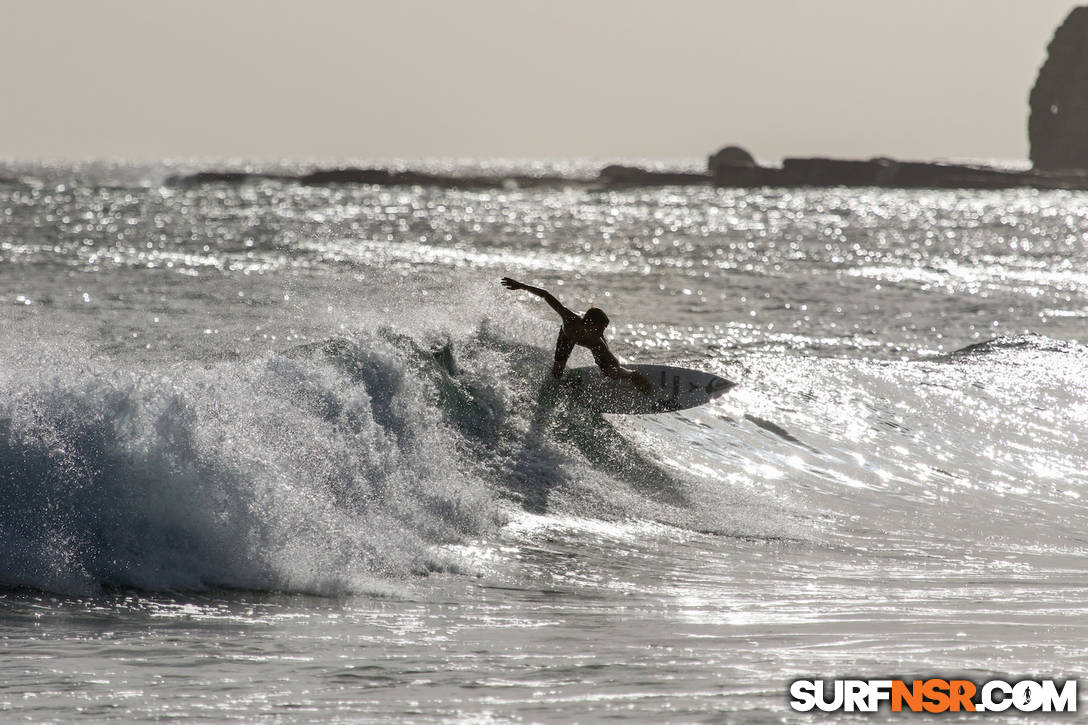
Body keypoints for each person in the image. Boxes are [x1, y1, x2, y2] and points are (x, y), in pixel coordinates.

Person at [501, 277, 654, 394]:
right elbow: (545, 295)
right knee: (557, 371)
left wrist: (620, 371)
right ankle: (563, 386)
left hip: (589, 343)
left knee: (611, 371)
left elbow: (610, 361)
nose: (602, 333)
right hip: (567, 336)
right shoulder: (570, 319)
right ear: (589, 323)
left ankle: (634, 376)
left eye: (604, 329)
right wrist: (521, 286)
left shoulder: (597, 340)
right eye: (600, 328)